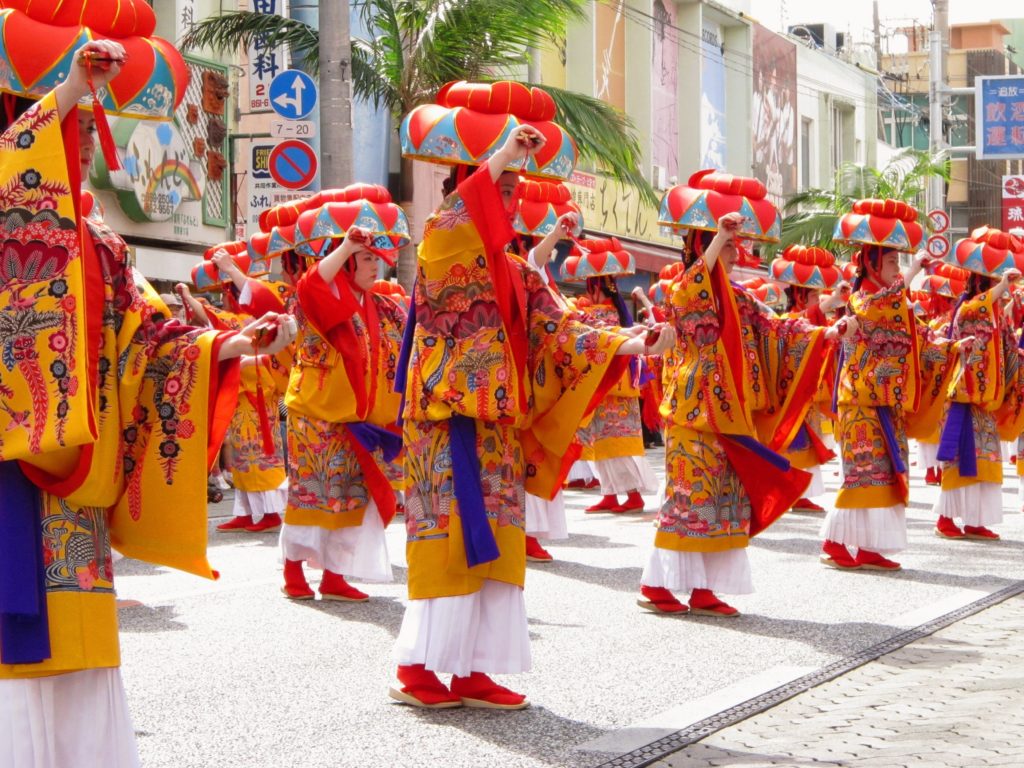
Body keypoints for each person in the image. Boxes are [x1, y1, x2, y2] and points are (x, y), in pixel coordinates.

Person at [0, 40, 295, 766]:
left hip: (76, 464)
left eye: (80, 121)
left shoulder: (100, 236)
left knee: (79, 636)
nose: (77, 133)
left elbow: (146, 335)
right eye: (61, 120)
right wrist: (70, 89)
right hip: (13, 455)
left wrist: (228, 344)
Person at [391, 112, 674, 709]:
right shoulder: (441, 240)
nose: (509, 197)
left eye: (513, 190)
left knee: (498, 544)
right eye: (499, 188)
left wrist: (633, 344)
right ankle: (417, 668)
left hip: (498, 426)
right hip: (445, 422)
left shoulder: (520, 271)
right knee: (447, 543)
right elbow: (458, 216)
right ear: (467, 190)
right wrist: (502, 152)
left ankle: (474, 669)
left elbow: (562, 329)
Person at [642, 175, 844, 617]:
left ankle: (704, 589)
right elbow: (694, 289)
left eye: (735, 245)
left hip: (733, 415)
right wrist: (718, 237)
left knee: (722, 504)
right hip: (695, 414)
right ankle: (657, 585)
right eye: (729, 246)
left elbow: (777, 328)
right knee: (689, 501)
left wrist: (826, 333)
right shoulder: (684, 287)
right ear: (704, 244)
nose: (737, 253)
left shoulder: (739, 297)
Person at [278, 189, 409, 602]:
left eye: (375, 259)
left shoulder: (383, 306)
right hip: (317, 417)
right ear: (347, 261)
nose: (375, 266)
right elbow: (313, 284)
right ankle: (293, 571)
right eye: (366, 259)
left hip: (360, 421)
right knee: (313, 495)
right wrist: (348, 245)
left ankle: (334, 576)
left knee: (351, 497)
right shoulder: (318, 295)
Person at [821, 200, 961, 572]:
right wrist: (912, 273)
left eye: (899, 263)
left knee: (884, 477)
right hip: (860, 402)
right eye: (892, 262)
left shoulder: (896, 304)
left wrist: (952, 348)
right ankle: (834, 542)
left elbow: (920, 339)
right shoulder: (860, 300)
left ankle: (869, 547)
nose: (897, 269)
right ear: (871, 264)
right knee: (862, 475)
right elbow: (874, 310)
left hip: (886, 402)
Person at [932, 228, 1022, 541]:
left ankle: (975, 519)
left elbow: (1009, 348)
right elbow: (973, 314)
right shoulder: (969, 308)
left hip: (987, 399)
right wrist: (1002, 287)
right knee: (959, 458)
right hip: (964, 396)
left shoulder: (996, 312)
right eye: (995, 281)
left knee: (986, 461)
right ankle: (945, 517)